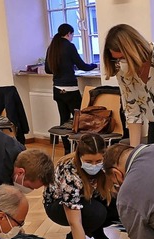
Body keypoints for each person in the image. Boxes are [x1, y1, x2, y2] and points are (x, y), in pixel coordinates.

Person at [43, 133, 119, 239]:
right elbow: (75, 222)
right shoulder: (69, 170)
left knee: (118, 207)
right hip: (57, 205)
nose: (94, 165)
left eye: (98, 161)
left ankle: (96, 230)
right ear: (79, 156)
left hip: (90, 198)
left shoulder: (108, 163)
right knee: (96, 213)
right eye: (89, 161)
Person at [45, 23, 98, 154]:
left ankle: (67, 149)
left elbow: (47, 69)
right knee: (78, 120)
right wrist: (94, 65)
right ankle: (78, 148)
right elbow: (82, 66)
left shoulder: (52, 47)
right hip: (70, 89)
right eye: (72, 35)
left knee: (63, 120)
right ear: (69, 33)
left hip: (57, 89)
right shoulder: (69, 46)